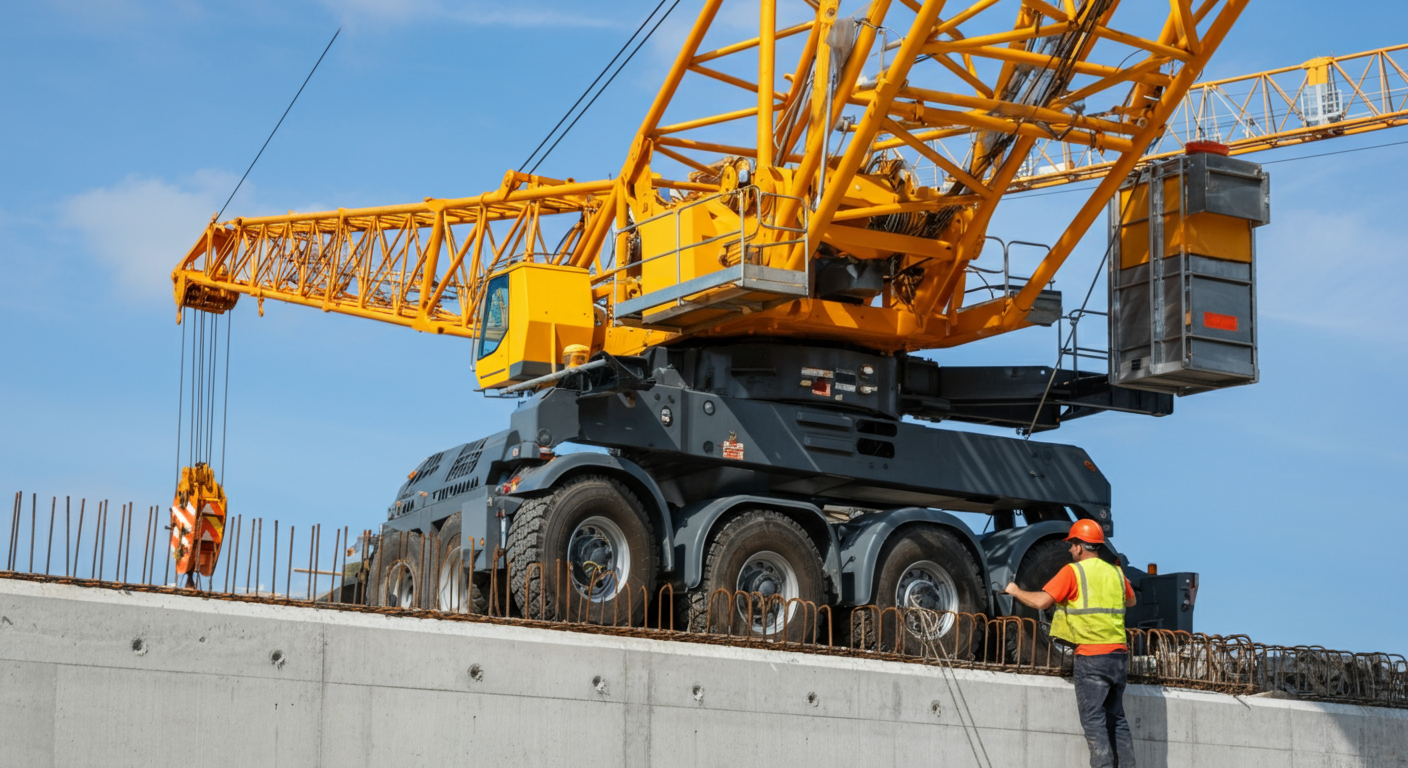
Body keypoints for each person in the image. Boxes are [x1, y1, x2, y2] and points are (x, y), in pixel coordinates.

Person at [1005, 519, 1137, 768]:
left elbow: (1042, 602)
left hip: (1091, 658)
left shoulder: (1073, 572)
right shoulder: (1116, 572)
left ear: (1079, 546)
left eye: (1071, 544)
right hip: (1118, 656)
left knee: (1093, 722)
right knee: (1116, 718)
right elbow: (1131, 603)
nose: (1069, 550)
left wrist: (1015, 590)